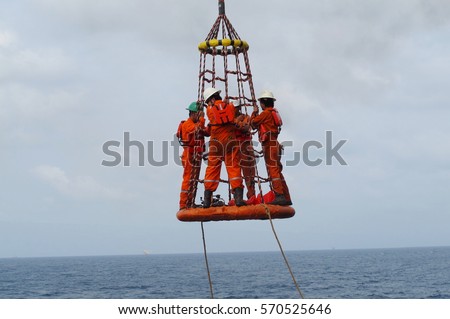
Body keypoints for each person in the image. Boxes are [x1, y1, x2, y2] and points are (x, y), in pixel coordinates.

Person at [202, 87, 246, 208]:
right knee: (234, 168)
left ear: (210, 100)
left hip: (216, 144)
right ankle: (238, 199)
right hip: (230, 142)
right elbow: (232, 111)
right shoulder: (230, 107)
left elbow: (213, 112)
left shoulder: (209, 111)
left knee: (212, 169)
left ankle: (207, 200)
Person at [251, 90, 292, 206]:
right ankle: (286, 196)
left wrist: (254, 113)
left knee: (273, 170)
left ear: (264, 102)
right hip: (275, 143)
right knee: (277, 171)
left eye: (260, 102)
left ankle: (279, 195)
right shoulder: (274, 113)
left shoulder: (265, 114)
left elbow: (253, 123)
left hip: (269, 144)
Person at [177, 102, 208, 210]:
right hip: (189, 155)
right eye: (199, 114)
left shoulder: (196, 123)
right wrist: (202, 120)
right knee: (188, 179)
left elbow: (205, 131)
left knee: (194, 180)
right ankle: (183, 204)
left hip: (196, 155)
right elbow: (197, 129)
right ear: (194, 113)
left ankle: (190, 202)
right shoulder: (187, 124)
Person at [234, 102, 256, 201]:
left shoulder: (245, 117)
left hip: (246, 147)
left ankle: (251, 195)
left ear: (238, 108)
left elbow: (246, 127)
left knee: (249, 172)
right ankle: (237, 197)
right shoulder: (229, 119)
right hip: (235, 147)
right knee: (235, 173)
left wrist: (237, 122)